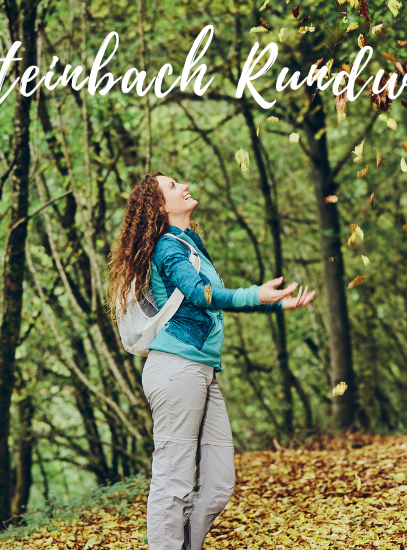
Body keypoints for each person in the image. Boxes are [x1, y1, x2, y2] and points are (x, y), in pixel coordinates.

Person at [106, 172, 315, 550]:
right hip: (175, 371)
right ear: (159, 206)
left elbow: (215, 302)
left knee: (219, 483)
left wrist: (277, 303)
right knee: (173, 480)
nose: (184, 185)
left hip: (201, 371)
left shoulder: (190, 243)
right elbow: (201, 294)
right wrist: (256, 293)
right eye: (173, 186)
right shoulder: (168, 248)